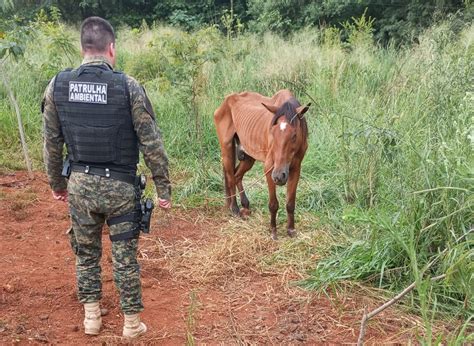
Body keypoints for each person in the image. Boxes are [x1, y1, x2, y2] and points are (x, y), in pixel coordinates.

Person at [42, 16, 171, 338]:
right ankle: (131, 325)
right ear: (111, 48)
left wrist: (57, 185)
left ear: (83, 47)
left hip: (81, 186)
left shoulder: (57, 85)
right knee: (125, 258)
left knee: (86, 255)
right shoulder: (128, 87)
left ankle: (91, 319)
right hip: (121, 188)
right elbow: (151, 142)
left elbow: (51, 144)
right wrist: (163, 187)